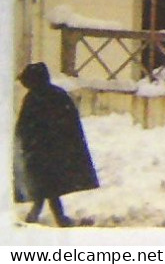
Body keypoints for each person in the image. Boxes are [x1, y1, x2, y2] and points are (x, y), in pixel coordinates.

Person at [14, 62, 98, 226]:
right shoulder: (57, 95)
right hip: (55, 151)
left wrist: (27, 144)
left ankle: (46, 217)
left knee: (46, 185)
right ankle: (44, 216)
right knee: (47, 186)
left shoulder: (35, 98)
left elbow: (26, 126)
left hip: (43, 151)